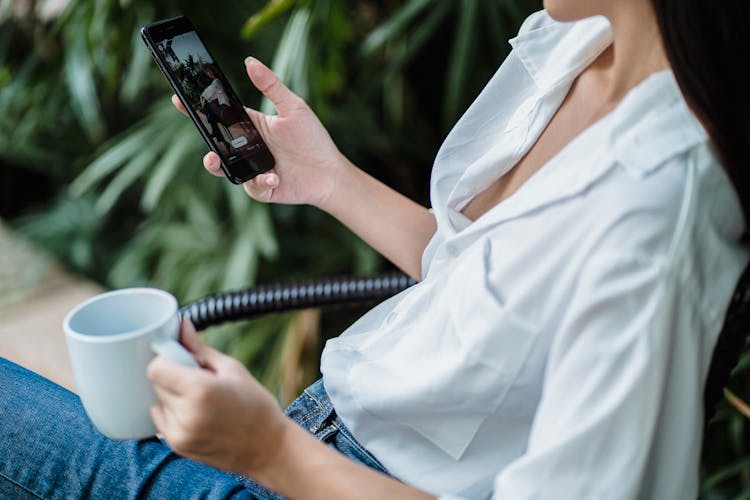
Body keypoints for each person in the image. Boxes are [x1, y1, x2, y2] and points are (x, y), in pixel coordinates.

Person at [1, 0, 748, 498]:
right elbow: (486, 284)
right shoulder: (576, 40)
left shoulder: (658, 212)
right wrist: (329, 180)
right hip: (310, 437)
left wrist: (268, 451)